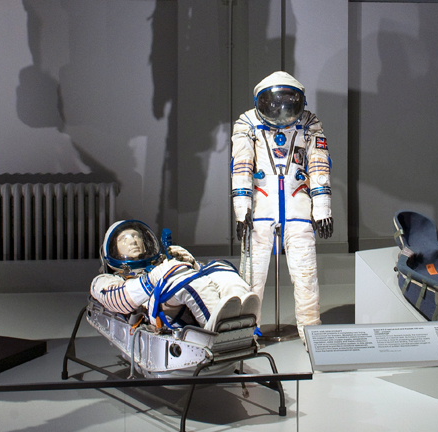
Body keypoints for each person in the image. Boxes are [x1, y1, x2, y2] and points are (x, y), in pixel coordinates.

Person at [231, 71, 332, 338]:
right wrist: (242, 210)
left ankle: (311, 331)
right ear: (261, 101)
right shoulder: (248, 123)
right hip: (260, 207)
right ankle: (246, 332)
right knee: (252, 276)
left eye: (288, 100)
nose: (281, 107)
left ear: (299, 100)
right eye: (274, 101)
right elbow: (241, 166)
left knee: (306, 273)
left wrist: (322, 208)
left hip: (298, 204)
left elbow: (319, 165)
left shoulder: (309, 123)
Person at [90, 220, 258, 331]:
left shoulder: (161, 264)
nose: (133, 241)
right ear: (113, 249)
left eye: (136, 236)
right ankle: (218, 330)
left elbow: (202, 277)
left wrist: (192, 263)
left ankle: (241, 317)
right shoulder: (103, 280)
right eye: (124, 239)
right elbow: (118, 299)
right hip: (153, 314)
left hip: (176, 303)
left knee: (219, 268)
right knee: (179, 277)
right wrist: (153, 278)